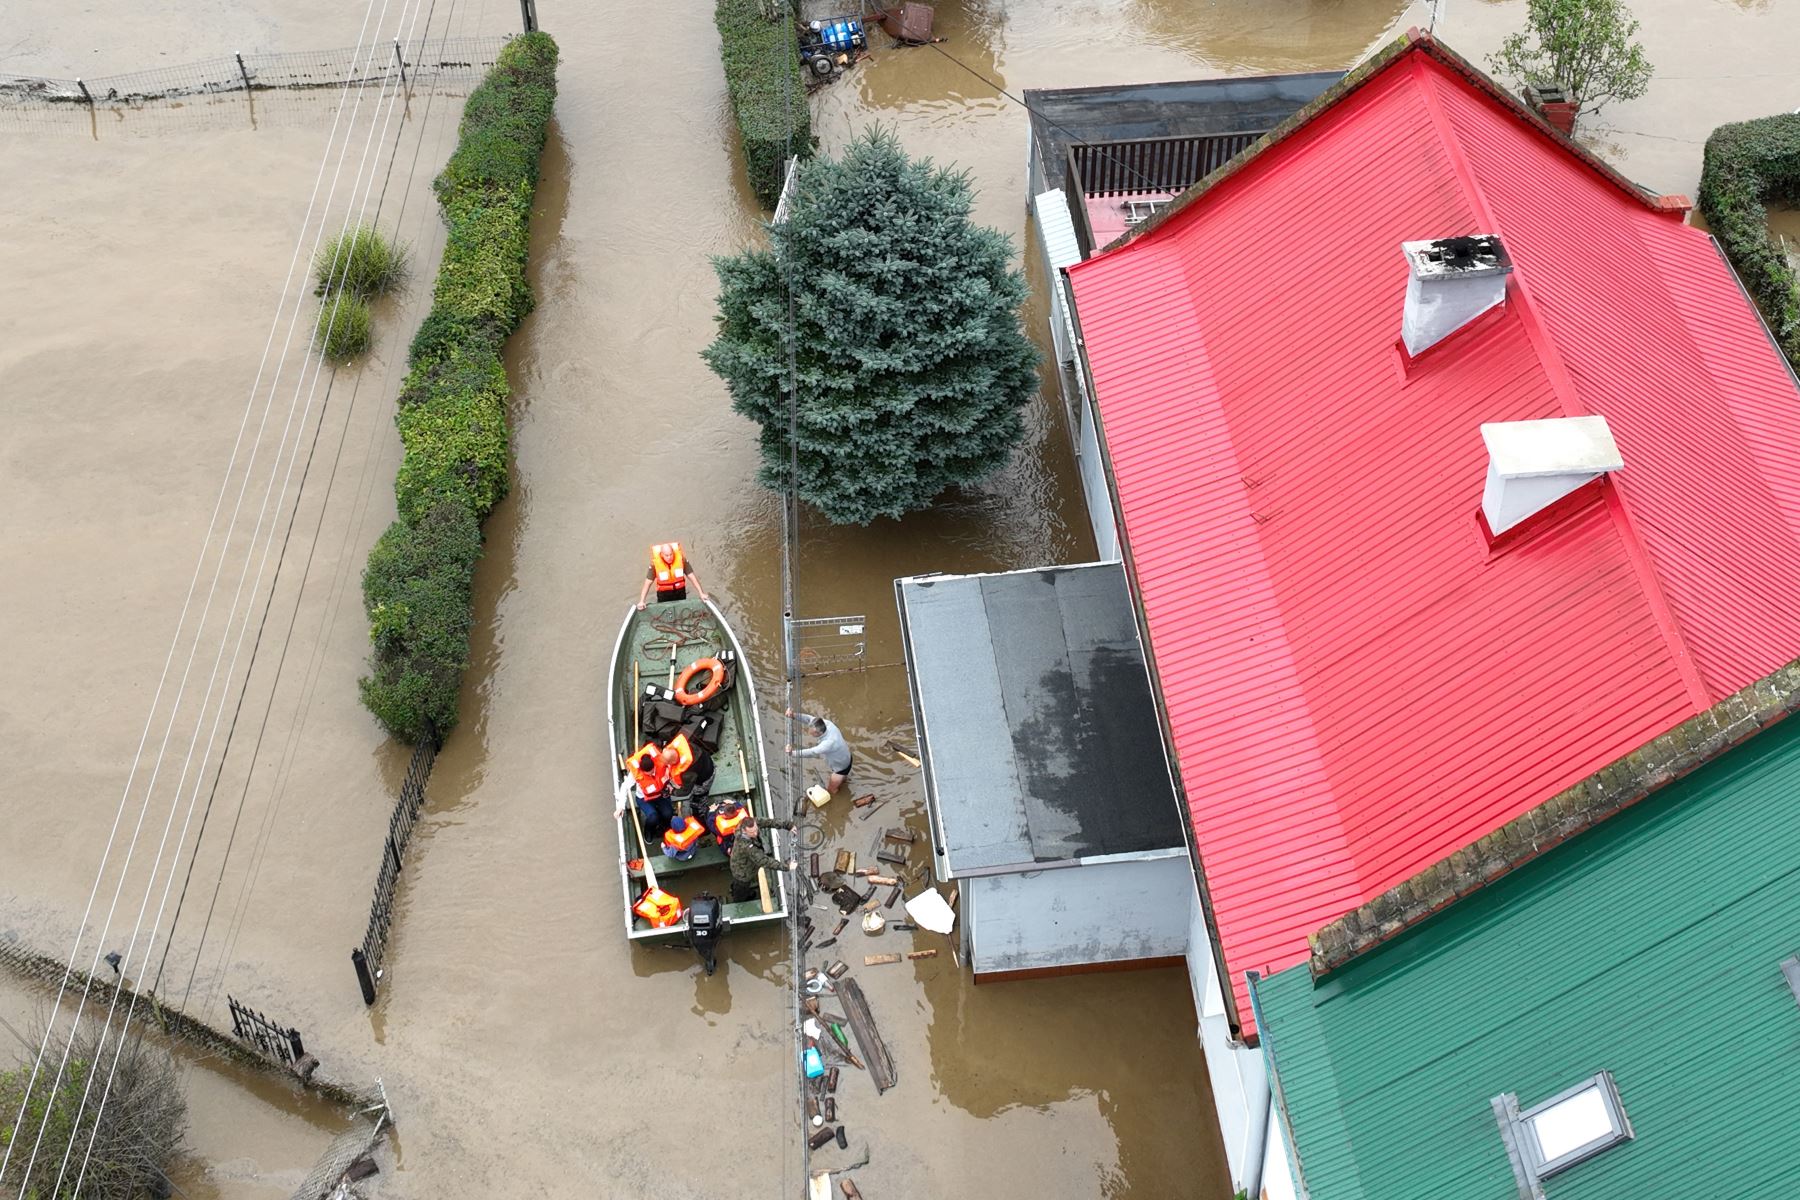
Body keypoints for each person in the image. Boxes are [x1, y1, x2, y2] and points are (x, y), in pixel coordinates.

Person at [728, 812, 796, 904]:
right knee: (741, 888)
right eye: (752, 832)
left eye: (756, 830)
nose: (755, 833)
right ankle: (739, 900)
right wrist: (787, 867)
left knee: (740, 885)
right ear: (744, 831)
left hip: (748, 864)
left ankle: (736, 888)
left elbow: (769, 822)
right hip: (742, 872)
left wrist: (788, 826)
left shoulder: (750, 823)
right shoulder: (745, 846)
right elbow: (764, 861)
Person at [785, 708, 852, 794]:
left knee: (831, 790)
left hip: (840, 768)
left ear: (818, 733)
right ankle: (844, 781)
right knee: (843, 780)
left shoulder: (828, 743)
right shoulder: (827, 724)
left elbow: (812, 752)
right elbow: (809, 719)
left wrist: (792, 753)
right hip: (847, 757)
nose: (809, 732)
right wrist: (794, 715)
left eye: (811, 732)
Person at [616, 744, 673, 835]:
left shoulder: (662, 763)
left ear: (654, 766)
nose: (651, 775)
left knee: (668, 813)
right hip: (644, 798)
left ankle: (665, 827)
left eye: (652, 773)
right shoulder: (635, 774)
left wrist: (670, 784)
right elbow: (624, 787)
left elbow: (671, 772)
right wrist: (620, 806)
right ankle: (649, 830)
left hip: (661, 794)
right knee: (653, 817)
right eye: (647, 774)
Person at [637, 541, 709, 610]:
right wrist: (642, 601)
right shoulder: (654, 565)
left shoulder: (682, 560)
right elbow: (647, 583)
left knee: (681, 610)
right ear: (661, 554)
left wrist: (701, 593)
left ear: (673, 552)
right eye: (666, 555)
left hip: (680, 592)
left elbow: (692, 577)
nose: (669, 557)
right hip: (664, 595)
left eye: (671, 554)